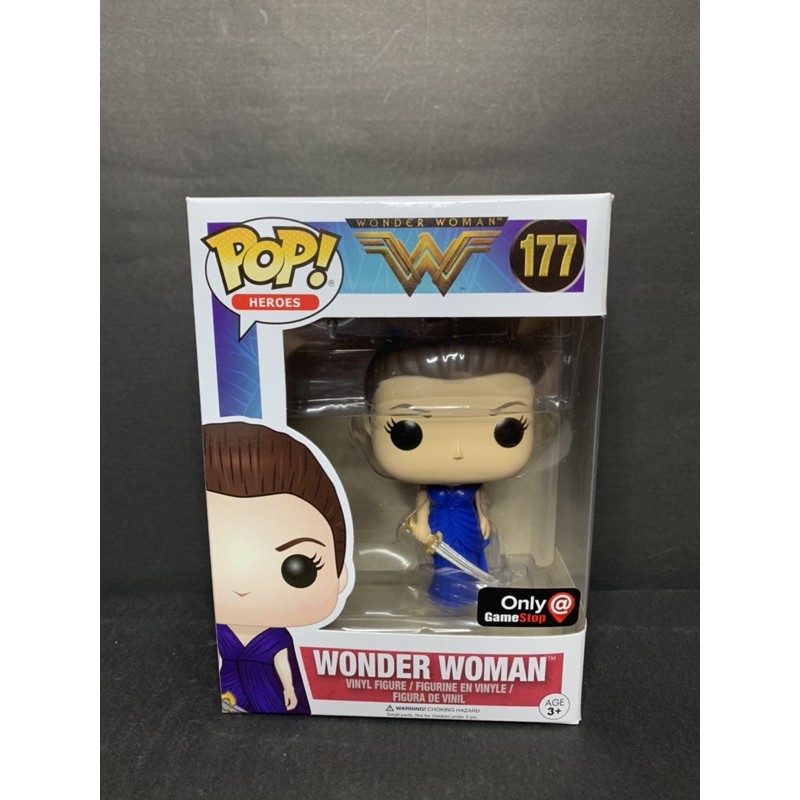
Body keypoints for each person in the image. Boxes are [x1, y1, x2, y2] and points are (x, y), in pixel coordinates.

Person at [365, 343, 536, 606]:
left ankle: (474, 594)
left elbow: (480, 501)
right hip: (441, 528)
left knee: (472, 556)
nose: (458, 452)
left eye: (508, 429)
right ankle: (445, 596)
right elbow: (421, 506)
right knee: (443, 564)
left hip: (468, 523)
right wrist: (421, 527)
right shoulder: (427, 487)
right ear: (368, 424)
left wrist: (483, 518)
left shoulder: (475, 485)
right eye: (406, 432)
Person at [203, 421, 350, 713]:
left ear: (340, 575)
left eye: (298, 568)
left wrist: (289, 689)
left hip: (267, 688)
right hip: (229, 686)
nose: (242, 587)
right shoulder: (218, 627)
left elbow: (282, 662)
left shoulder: (276, 637)